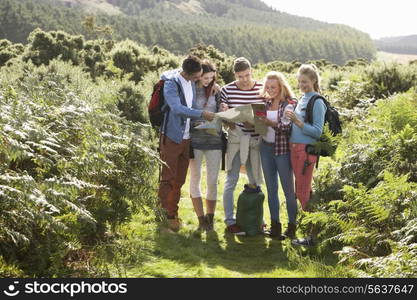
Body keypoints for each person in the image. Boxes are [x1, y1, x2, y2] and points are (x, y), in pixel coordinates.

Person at [158, 55, 215, 232]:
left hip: (186, 137)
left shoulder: (191, 81)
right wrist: (200, 114)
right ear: (188, 73)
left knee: (180, 179)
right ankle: (163, 217)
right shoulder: (171, 84)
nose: (199, 79)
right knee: (168, 177)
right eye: (197, 76)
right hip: (172, 136)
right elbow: (176, 108)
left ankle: (172, 214)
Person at [220, 57, 264, 235]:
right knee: (231, 181)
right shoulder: (227, 90)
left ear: (251, 70)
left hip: (254, 142)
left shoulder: (261, 89)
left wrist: (252, 123)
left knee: (255, 182)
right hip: (235, 141)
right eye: (240, 76)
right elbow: (223, 119)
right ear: (235, 75)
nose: (244, 79)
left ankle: (258, 220)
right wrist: (227, 117)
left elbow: (262, 121)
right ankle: (230, 222)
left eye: (247, 75)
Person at [286, 64, 327, 246]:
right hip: (294, 149)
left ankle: (313, 237)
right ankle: (312, 233)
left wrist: (298, 122)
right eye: (300, 81)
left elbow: (318, 132)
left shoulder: (317, 101)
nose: (302, 85)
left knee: (303, 193)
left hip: (305, 151)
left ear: (314, 81)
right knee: (302, 191)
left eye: (305, 81)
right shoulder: (302, 98)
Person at [258, 71, 298, 240]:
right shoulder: (264, 103)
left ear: (281, 86)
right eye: (267, 87)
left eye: (273, 87)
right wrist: (253, 122)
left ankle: (292, 227)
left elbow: (286, 127)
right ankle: (275, 226)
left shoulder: (289, 104)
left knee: (288, 191)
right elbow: (260, 127)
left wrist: (269, 123)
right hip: (265, 149)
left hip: (282, 151)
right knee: (271, 189)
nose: (270, 90)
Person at [189, 60, 223, 231]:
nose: (208, 81)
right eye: (205, 77)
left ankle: (210, 218)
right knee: (195, 179)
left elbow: (222, 113)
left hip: (214, 141)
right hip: (195, 141)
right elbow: (185, 112)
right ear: (198, 75)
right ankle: (201, 219)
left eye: (211, 78)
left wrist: (223, 108)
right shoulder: (190, 89)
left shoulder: (217, 90)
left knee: (212, 181)